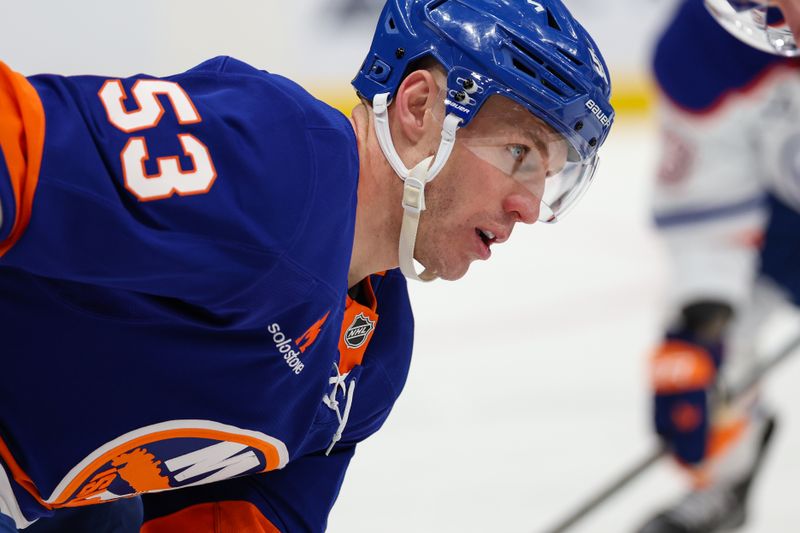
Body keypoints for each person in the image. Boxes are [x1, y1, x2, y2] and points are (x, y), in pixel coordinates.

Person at [0, 0, 614, 531]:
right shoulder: (270, 158)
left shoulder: (374, 358)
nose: (529, 208)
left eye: (551, 176)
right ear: (421, 109)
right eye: (520, 155)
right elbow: (14, 145)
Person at [637, 1, 800, 532]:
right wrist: (699, 336)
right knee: (701, 362)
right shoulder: (710, 40)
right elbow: (709, 220)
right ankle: (725, 480)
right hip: (782, 230)